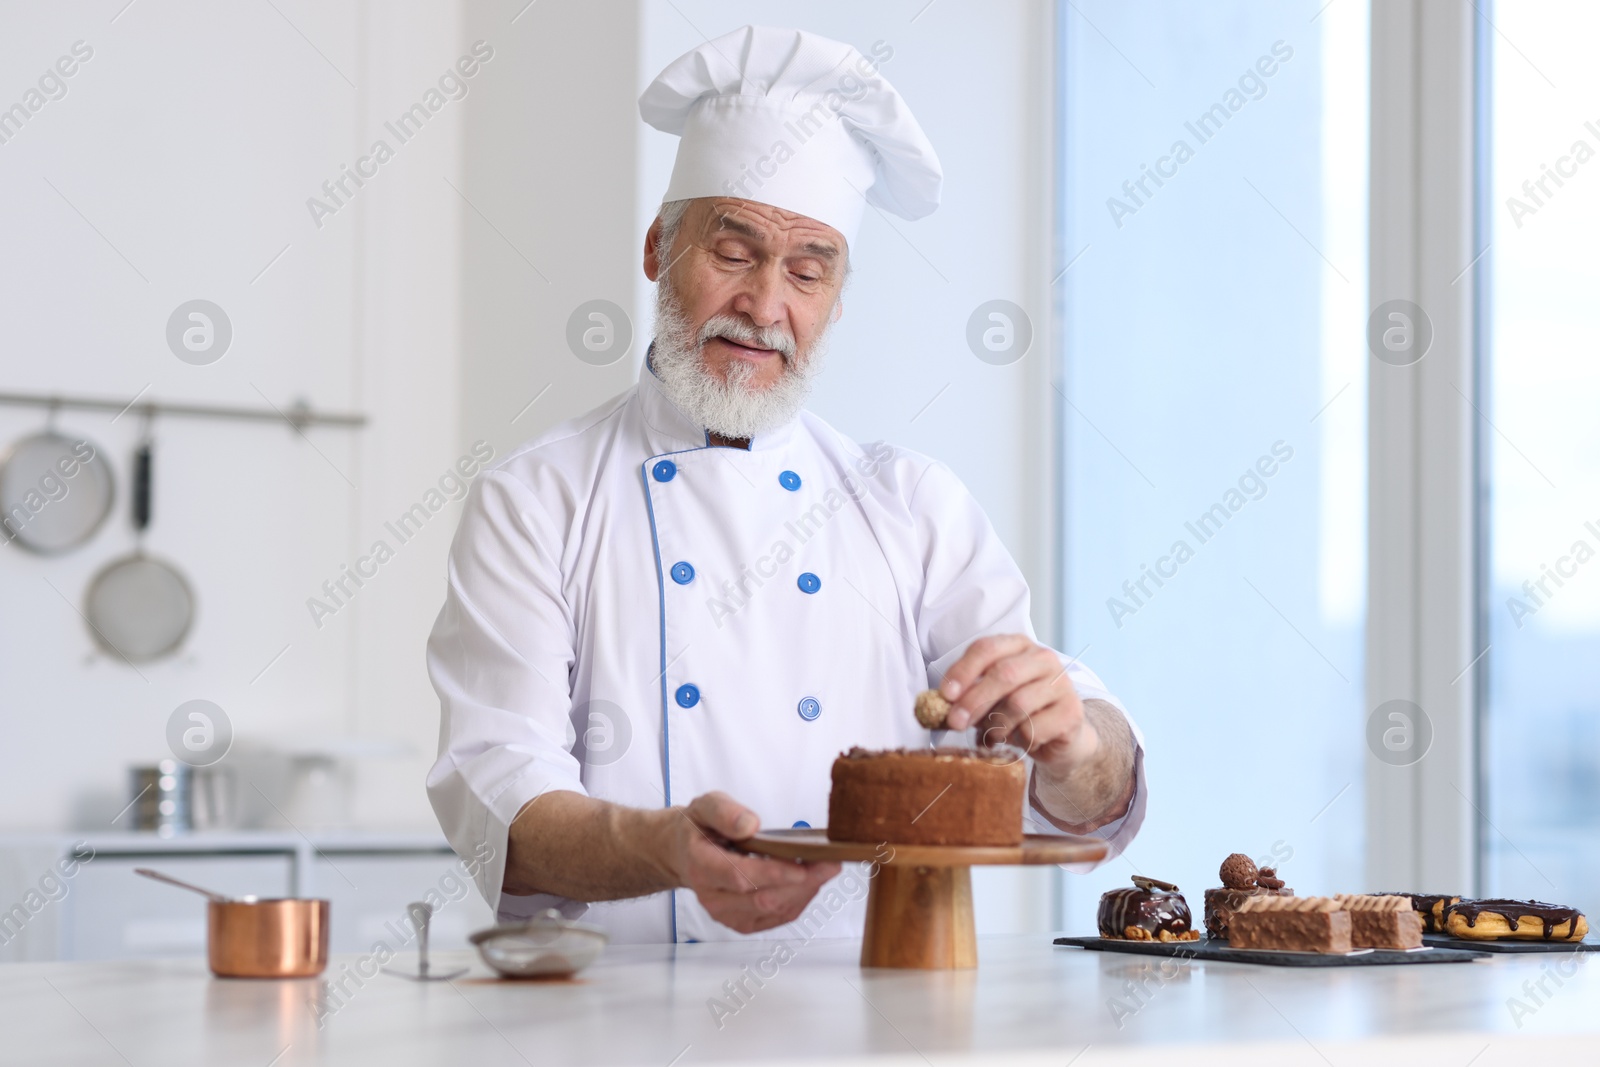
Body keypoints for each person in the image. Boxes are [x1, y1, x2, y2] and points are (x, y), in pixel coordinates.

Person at [427, 25, 1145, 944]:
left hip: (876, 1016)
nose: (767, 307)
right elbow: (500, 808)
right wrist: (662, 849)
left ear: (837, 301)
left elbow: (1084, 796)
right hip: (613, 1025)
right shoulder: (534, 502)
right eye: (733, 254)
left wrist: (1076, 742)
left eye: (808, 271)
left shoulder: (912, 506)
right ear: (657, 248)